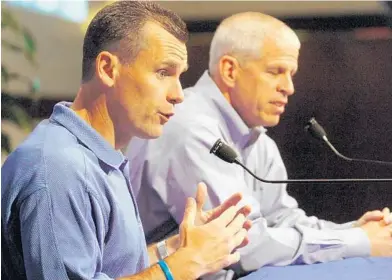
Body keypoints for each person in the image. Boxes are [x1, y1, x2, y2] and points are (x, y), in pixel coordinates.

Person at [126, 12, 392, 279]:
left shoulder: (257, 139)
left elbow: (283, 220)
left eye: (291, 74)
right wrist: (358, 241)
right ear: (230, 70)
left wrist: (351, 230)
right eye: (276, 71)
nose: (288, 87)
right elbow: (245, 245)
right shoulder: (190, 127)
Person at [1, 2, 253, 280]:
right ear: (108, 69)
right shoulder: (58, 167)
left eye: (179, 76)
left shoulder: (97, 153)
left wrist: (177, 248)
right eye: (163, 73)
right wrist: (183, 266)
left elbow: (110, 265)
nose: (178, 94)